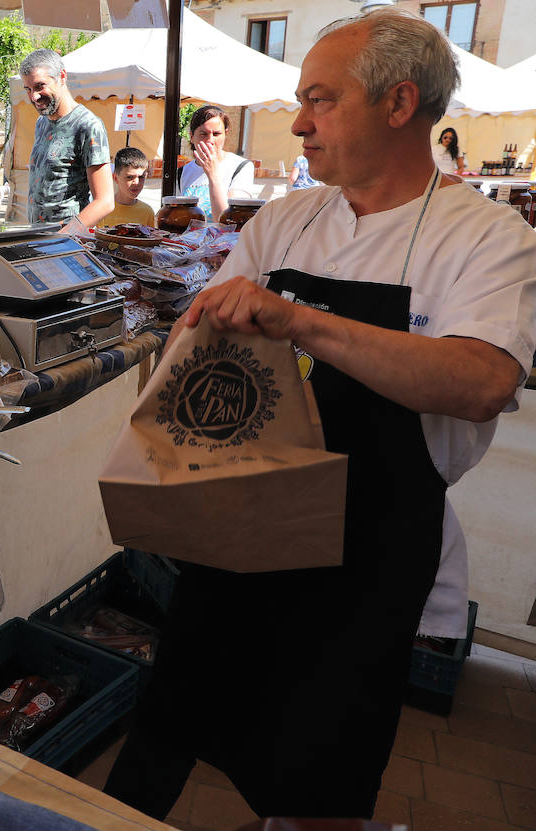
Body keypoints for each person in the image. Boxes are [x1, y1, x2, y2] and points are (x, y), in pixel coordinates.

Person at [104, 7, 536, 820]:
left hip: (366, 562)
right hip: (236, 528)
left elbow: (480, 380)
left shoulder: (486, 236)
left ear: (399, 104)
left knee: (319, 779)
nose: (298, 123)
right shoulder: (287, 218)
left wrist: (301, 320)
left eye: (321, 99)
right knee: (167, 731)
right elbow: (204, 336)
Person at [19, 49, 114, 228]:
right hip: (38, 240)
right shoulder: (42, 123)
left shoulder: (87, 125)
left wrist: (63, 238)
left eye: (40, 86)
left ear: (62, 76)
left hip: (66, 245)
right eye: (28, 89)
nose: (34, 96)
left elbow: (105, 201)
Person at [178, 105, 256, 221]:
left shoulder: (241, 167)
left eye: (216, 134)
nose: (210, 141)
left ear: (225, 134)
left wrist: (213, 176)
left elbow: (228, 221)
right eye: (203, 134)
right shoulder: (182, 172)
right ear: (192, 136)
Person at [97, 146, 156, 228]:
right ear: (115, 178)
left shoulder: (147, 212)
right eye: (129, 177)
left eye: (141, 177)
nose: (136, 182)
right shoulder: (102, 209)